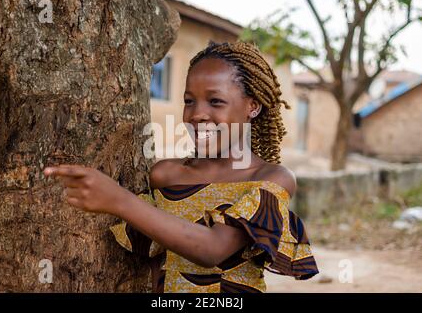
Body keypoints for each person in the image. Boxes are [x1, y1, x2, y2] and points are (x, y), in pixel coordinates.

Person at [44, 41, 318, 293]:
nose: (197, 114)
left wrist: (118, 200)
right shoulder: (166, 175)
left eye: (215, 101)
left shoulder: (271, 179)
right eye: (189, 101)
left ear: (253, 106)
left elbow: (212, 250)